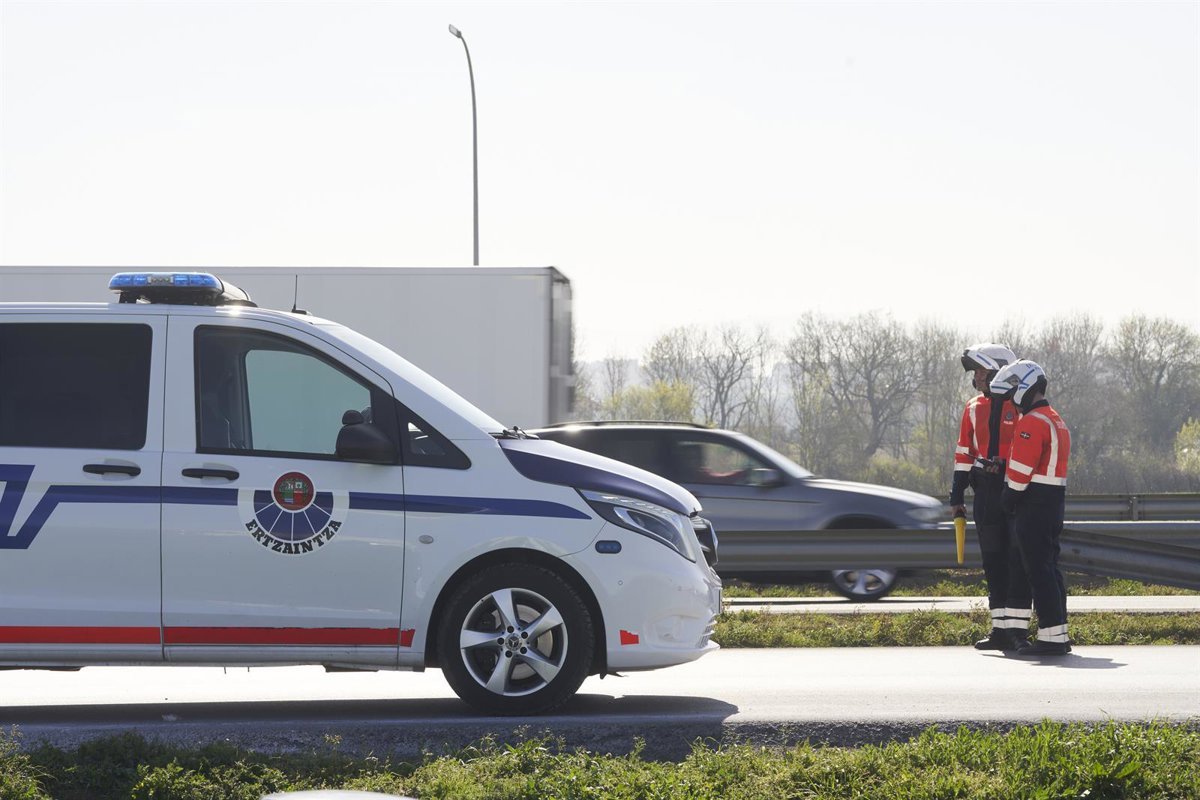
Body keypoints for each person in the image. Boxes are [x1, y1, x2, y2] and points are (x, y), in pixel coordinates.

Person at [950, 343, 1032, 650]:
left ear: (1000, 371)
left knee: (1017, 560)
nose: (977, 377)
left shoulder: (1018, 405)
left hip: (1015, 491)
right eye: (975, 372)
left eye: (982, 371)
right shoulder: (972, 407)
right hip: (984, 491)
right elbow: (963, 451)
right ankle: (999, 630)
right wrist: (956, 494)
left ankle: (1018, 632)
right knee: (993, 561)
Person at [990, 360, 1072, 656]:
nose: (1012, 400)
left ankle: (1052, 640)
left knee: (1038, 571)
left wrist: (1008, 498)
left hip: (1034, 502)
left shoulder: (1032, 422)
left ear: (1025, 386)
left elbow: (1022, 471)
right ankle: (1057, 633)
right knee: (1049, 569)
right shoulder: (1055, 419)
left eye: (1012, 391)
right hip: (1053, 500)